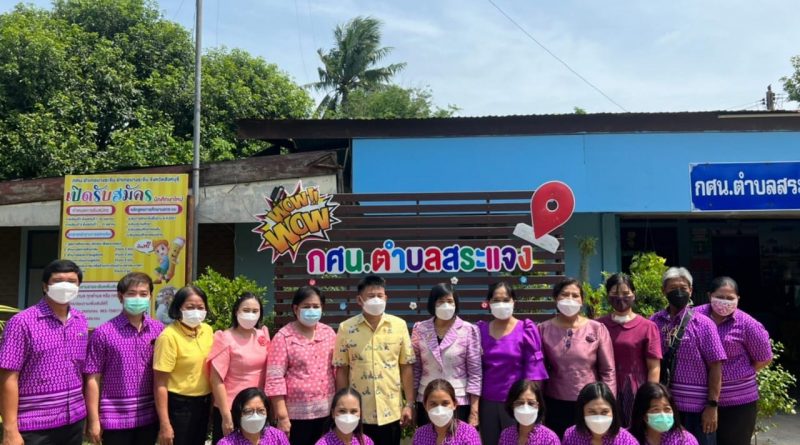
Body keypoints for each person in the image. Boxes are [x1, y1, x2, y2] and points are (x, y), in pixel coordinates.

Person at [0, 259, 87, 445]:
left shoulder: (80, 320)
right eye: (58, 281)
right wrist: (9, 429)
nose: (65, 286)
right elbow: (8, 376)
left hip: (74, 420)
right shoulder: (22, 322)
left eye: (71, 281)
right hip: (34, 425)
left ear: (78, 286)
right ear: (45, 286)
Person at [332, 274, 415, 445]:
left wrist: (409, 404)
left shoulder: (399, 326)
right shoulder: (346, 328)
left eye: (379, 295)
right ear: (359, 300)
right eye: (371, 296)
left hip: (390, 411)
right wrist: (342, 406)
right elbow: (342, 369)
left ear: (386, 298)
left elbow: (406, 367)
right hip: (357, 412)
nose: (376, 300)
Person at [84, 272, 165, 445]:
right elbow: (92, 378)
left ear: (150, 296)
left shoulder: (159, 330)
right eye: (131, 293)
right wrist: (94, 420)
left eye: (143, 294)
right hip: (115, 420)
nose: (138, 298)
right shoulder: (103, 333)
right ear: (120, 297)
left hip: (149, 417)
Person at [650, 267, 726, 445]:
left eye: (683, 288)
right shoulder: (653, 322)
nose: (678, 292)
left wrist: (712, 406)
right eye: (672, 288)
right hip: (665, 409)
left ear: (691, 290)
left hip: (698, 410)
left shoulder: (704, 324)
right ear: (663, 291)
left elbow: (716, 366)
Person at [694, 276, 772, 445]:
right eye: (720, 297)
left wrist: (739, 374)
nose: (725, 302)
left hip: (738, 403)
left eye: (730, 298)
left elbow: (764, 358)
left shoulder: (747, 324)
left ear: (738, 299)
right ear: (709, 296)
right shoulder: (694, 317)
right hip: (699, 400)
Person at [538, 277, 616, 437]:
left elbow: (608, 370)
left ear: (582, 300)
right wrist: (538, 403)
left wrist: (608, 401)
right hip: (555, 403)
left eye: (575, 295)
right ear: (555, 298)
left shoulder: (597, 328)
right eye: (564, 295)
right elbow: (539, 372)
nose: (570, 299)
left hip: (591, 402)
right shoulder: (543, 329)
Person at [477, 281, 548, 445]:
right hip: (487, 402)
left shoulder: (526, 329)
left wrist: (531, 404)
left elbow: (534, 370)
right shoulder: (480, 330)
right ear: (488, 303)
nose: (501, 304)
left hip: (517, 402)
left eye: (506, 299)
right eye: (496, 300)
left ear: (514, 302)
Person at [266, 286, 336, 445]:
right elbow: (274, 379)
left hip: (327, 413)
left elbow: (336, 370)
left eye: (316, 306)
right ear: (295, 309)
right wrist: (282, 416)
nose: (311, 310)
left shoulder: (329, 333)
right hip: (296, 418)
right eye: (306, 306)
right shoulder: (283, 337)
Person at [410, 283, 481, 426]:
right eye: (441, 301)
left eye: (449, 301)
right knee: (428, 436)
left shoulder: (469, 330)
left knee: (458, 437)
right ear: (433, 303)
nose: (446, 305)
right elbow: (416, 370)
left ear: (456, 304)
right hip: (427, 399)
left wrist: (474, 411)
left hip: (458, 401)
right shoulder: (420, 329)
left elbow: (475, 373)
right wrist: (411, 404)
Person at [597, 273, 662, 427]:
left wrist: (649, 397)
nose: (620, 298)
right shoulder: (598, 325)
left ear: (634, 294)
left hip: (635, 389)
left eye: (626, 293)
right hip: (604, 387)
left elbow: (654, 367)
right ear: (607, 296)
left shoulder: (648, 327)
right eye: (615, 293)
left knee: (636, 429)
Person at [153, 285, 214, 445]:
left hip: (203, 402)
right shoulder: (168, 337)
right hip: (179, 406)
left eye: (200, 307)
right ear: (178, 308)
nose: (196, 311)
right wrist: (165, 424)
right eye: (190, 307)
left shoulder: (207, 330)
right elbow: (160, 384)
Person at [208, 292, 271, 444]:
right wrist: (226, 415)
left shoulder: (263, 335)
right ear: (236, 311)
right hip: (232, 408)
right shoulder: (224, 337)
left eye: (255, 311)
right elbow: (216, 380)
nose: (250, 314)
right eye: (246, 310)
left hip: (258, 408)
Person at [562, 382, 638, 445]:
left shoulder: (627, 441)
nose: (599, 419)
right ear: (582, 413)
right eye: (592, 412)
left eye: (604, 412)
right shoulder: (570, 436)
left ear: (613, 412)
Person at [411, 379, 481, 445]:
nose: (439, 409)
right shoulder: (420, 435)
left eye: (445, 403)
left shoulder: (468, 434)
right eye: (433, 404)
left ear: (454, 404)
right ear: (425, 406)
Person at [629, 382, 699, 445]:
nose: (663, 415)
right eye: (655, 410)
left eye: (667, 409)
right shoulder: (628, 439)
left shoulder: (684, 440)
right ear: (643, 415)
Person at [217, 387, 289, 445]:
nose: (255, 417)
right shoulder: (226, 443)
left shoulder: (277, 436)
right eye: (248, 411)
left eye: (261, 410)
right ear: (238, 413)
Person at [497, 379, 559, 445]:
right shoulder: (506, 435)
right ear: (512, 406)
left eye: (531, 403)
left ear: (538, 406)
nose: (525, 408)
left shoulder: (549, 439)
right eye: (520, 403)